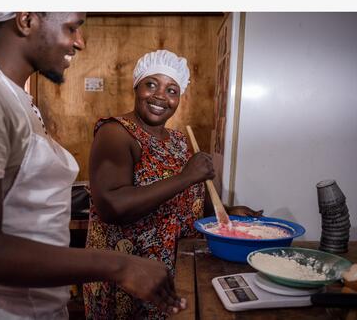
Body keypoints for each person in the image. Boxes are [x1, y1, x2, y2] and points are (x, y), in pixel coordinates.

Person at [0, 13, 186, 319]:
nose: (79, 42)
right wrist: (119, 264)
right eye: (71, 27)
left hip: (35, 305)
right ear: (27, 20)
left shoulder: (15, 96)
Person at [83, 50, 262, 319]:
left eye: (172, 90)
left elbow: (181, 202)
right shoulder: (116, 132)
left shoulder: (177, 140)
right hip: (127, 276)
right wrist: (187, 176)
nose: (160, 96)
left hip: (169, 273)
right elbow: (112, 206)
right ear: (136, 86)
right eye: (151, 84)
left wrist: (225, 210)